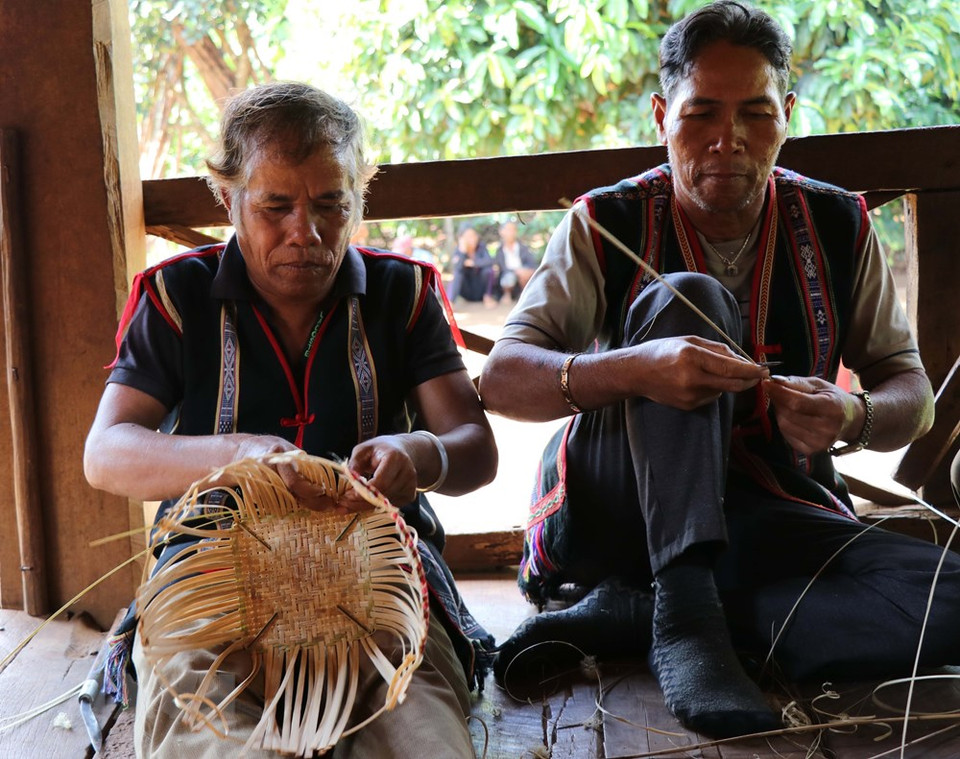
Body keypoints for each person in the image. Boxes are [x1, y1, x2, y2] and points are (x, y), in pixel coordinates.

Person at [480, 0, 960, 740]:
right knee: (685, 296)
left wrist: (852, 415)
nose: (727, 141)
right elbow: (503, 376)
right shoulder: (606, 223)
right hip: (621, 509)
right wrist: (636, 369)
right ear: (659, 115)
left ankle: (665, 611)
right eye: (700, 113)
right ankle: (685, 614)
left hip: (770, 509)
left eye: (755, 115)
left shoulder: (837, 222)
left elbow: (912, 392)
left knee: (951, 596)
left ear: (789, 114)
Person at [84, 82, 497, 758]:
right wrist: (239, 453)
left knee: (419, 720)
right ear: (228, 199)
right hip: (210, 574)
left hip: (380, 577)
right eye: (276, 205)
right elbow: (105, 452)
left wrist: (418, 453)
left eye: (331, 204)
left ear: (359, 198)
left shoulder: (402, 293)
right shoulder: (177, 296)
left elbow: (475, 449)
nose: (305, 231)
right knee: (200, 718)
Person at [445, 222, 498, 307]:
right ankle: (450, 302)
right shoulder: (459, 251)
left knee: (488, 270)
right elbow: (457, 268)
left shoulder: (481, 247)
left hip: (480, 288)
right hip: (467, 291)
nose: (472, 239)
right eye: (468, 236)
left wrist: (473, 263)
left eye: (473, 235)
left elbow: (489, 261)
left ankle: (488, 297)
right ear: (461, 238)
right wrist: (462, 251)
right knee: (458, 273)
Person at [493, 220, 537, 301]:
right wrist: (516, 271)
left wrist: (525, 271)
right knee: (509, 278)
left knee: (526, 274)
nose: (511, 232)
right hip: (508, 275)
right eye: (508, 229)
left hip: (523, 274)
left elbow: (532, 263)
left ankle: (526, 296)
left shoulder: (523, 247)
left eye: (513, 229)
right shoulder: (499, 250)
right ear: (502, 232)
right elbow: (500, 268)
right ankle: (507, 294)